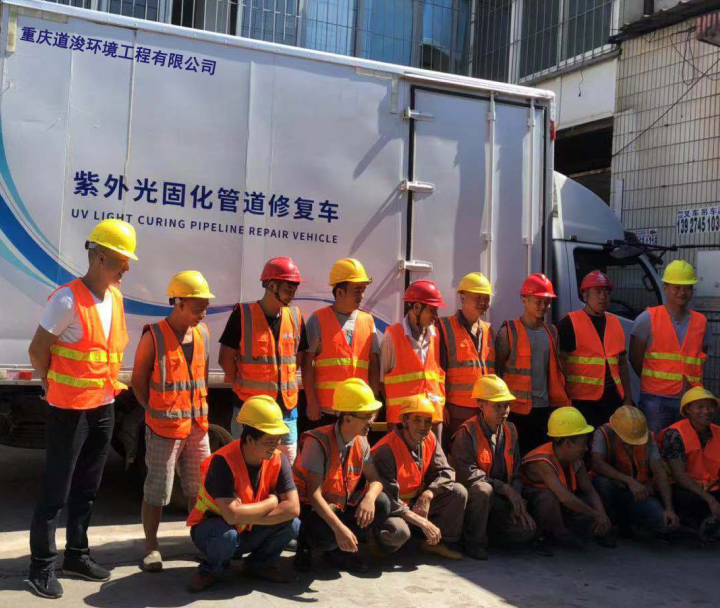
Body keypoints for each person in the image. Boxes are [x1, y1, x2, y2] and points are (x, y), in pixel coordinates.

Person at [26, 219, 138, 599]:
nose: (127, 267)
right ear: (101, 257)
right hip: (69, 409)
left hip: (103, 406)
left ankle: (77, 555)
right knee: (56, 489)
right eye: (122, 260)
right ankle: (41, 566)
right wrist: (49, 382)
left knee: (88, 487)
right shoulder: (66, 300)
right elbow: (37, 351)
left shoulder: (115, 297)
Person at [131, 271, 214, 572]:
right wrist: (154, 410)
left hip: (198, 426)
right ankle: (151, 547)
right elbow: (138, 381)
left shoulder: (202, 334)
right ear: (179, 303)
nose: (203, 313)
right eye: (198, 307)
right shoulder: (153, 336)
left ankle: (199, 541)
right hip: (164, 428)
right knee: (157, 490)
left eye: (205, 307)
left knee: (199, 488)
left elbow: (202, 377)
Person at [186, 395, 300, 592]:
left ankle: (259, 565)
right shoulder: (223, 461)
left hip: (246, 528)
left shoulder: (278, 460)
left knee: (293, 524)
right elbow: (231, 515)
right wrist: (272, 502)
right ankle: (211, 569)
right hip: (213, 528)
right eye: (269, 441)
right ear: (249, 439)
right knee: (226, 537)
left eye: (277, 439)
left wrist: (246, 517)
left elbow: (293, 508)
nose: (275, 445)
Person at [292, 378, 390, 574]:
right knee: (323, 532)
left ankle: (338, 551)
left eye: (372, 415)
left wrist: (369, 498)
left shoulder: (361, 441)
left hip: (338, 506)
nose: (371, 421)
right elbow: (314, 496)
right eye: (366, 416)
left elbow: (376, 480)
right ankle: (306, 546)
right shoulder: (317, 442)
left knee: (381, 503)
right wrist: (340, 529)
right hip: (311, 510)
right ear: (348, 418)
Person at [218, 257, 307, 463]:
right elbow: (225, 358)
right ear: (271, 285)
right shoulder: (243, 315)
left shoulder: (295, 317)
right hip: (250, 411)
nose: (292, 293)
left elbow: (298, 358)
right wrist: (242, 381)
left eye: (294, 288)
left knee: (285, 464)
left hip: (286, 410)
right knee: (245, 465)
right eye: (288, 288)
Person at [451, 375, 535, 560]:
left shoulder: (511, 430)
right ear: (481, 405)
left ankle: (492, 533)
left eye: (506, 405)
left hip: (501, 498)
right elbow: (467, 475)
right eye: (498, 406)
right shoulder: (467, 432)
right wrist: (504, 488)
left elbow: (516, 471)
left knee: (525, 532)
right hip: (476, 499)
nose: (504, 411)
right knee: (483, 489)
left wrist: (517, 498)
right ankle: (474, 542)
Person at [372, 395, 467, 560]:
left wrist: (428, 494)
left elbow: (446, 472)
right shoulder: (386, 450)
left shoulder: (430, 438)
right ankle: (377, 545)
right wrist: (422, 522)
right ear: (405, 421)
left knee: (458, 492)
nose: (423, 426)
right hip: (391, 508)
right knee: (399, 532)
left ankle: (435, 543)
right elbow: (388, 499)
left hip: (416, 501)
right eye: (417, 420)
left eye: (428, 421)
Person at [629, 260, 711, 433]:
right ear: (665, 287)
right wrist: (655, 381)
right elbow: (635, 358)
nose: (682, 292)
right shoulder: (647, 319)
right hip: (655, 400)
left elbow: (701, 356)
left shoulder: (701, 322)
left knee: (685, 443)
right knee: (656, 443)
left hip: (689, 398)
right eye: (677, 287)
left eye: (687, 287)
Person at [521, 407, 614, 556]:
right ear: (568, 443)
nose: (586, 449)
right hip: (535, 508)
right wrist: (596, 515)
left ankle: (581, 532)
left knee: (594, 506)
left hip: (561, 506)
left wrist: (602, 515)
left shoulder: (575, 458)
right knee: (547, 497)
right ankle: (542, 537)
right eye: (583, 443)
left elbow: (589, 490)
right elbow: (565, 498)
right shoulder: (543, 462)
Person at [495, 274, 571, 453]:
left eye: (547, 302)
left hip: (544, 408)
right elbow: (497, 370)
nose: (543, 306)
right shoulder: (509, 332)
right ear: (524, 300)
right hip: (515, 410)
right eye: (538, 301)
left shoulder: (552, 332)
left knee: (538, 456)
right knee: (514, 455)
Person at [301, 258, 380, 427]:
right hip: (327, 411)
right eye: (357, 290)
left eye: (363, 290)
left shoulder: (368, 321)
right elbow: (306, 363)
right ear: (339, 293)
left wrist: (374, 400)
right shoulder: (318, 319)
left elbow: (374, 364)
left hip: (358, 410)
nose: (361, 296)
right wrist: (311, 401)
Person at [590, 406, 679, 541]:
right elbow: (597, 463)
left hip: (638, 491)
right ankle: (611, 523)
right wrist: (629, 481)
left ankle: (630, 523)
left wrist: (669, 508)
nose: (632, 444)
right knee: (603, 484)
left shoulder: (648, 437)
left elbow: (659, 472)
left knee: (662, 522)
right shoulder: (603, 433)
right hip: (615, 486)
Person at [557, 271, 633, 428]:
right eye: (597, 292)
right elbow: (559, 366)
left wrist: (628, 399)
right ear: (585, 295)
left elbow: (622, 364)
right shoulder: (569, 323)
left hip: (613, 401)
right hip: (582, 403)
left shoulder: (615, 323)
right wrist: (564, 400)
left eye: (607, 292)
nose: (603, 297)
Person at [381, 280, 446, 440]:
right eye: (432, 310)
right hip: (402, 422)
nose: (436, 316)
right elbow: (382, 382)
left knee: (434, 457)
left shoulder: (436, 335)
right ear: (416, 307)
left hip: (432, 419)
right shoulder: (392, 336)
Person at [437, 272, 495, 445]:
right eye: (478, 298)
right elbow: (437, 371)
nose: (483, 303)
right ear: (462, 298)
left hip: (484, 411)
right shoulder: (444, 327)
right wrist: (442, 405)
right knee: (457, 453)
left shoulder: (489, 330)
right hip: (456, 412)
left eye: (486, 299)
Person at [658, 387, 720, 543]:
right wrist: (710, 500)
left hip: (710, 489)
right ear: (687, 410)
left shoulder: (718, 432)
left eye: (710, 406)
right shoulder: (675, 434)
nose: (706, 411)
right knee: (691, 500)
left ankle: (709, 523)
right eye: (700, 407)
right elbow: (679, 475)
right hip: (683, 490)